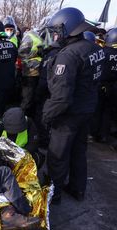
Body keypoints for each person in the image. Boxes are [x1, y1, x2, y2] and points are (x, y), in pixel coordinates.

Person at [43, 7, 105, 204]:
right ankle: (78, 189)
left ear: (68, 27)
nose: (55, 35)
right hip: (87, 109)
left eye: (57, 31)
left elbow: (61, 98)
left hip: (69, 114)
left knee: (57, 155)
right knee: (79, 150)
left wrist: (47, 115)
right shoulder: (95, 49)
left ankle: (54, 194)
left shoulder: (68, 56)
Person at [91, 28, 117, 143]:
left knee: (97, 110)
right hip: (114, 87)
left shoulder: (104, 52)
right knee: (108, 112)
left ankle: (94, 133)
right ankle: (104, 134)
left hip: (101, 86)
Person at [19, 30, 43, 117]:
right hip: (31, 72)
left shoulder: (31, 38)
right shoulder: (33, 37)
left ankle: (23, 116)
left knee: (28, 97)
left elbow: (23, 51)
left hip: (32, 74)